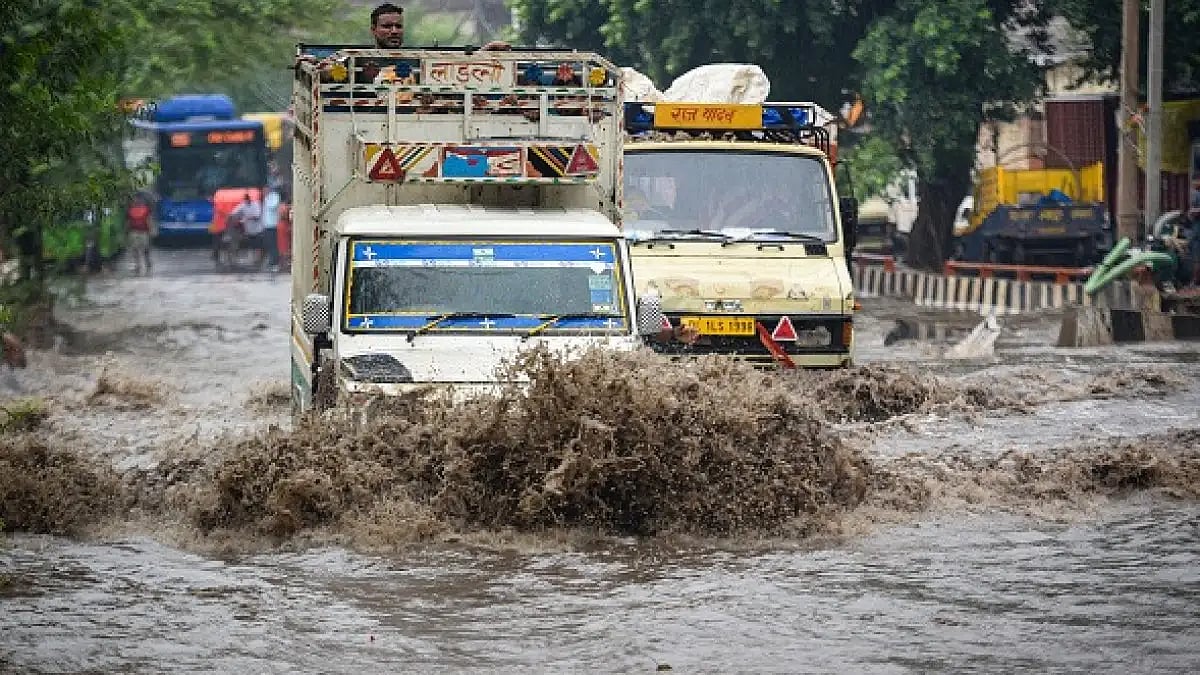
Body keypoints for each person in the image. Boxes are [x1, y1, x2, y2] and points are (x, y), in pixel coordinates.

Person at [370, 3, 509, 51]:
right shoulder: (360, 62)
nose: (394, 31)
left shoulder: (416, 60)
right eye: (387, 26)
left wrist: (487, 50)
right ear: (373, 30)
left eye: (398, 26)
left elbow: (459, 67)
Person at [229, 192, 265, 268]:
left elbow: (257, 216)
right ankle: (254, 260)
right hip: (249, 230)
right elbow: (233, 212)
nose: (246, 202)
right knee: (252, 245)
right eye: (245, 200)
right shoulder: (243, 205)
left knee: (258, 245)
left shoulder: (256, 204)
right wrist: (235, 218)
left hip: (258, 229)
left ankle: (259, 260)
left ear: (250, 199)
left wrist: (246, 218)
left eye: (247, 200)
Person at [125, 195, 153, 275]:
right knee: (135, 249)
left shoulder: (145, 209)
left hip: (143, 232)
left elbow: (148, 220)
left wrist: (150, 230)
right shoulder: (130, 210)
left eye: (137, 199)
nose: (136, 201)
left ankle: (147, 264)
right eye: (135, 199)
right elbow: (128, 221)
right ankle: (138, 265)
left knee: (145, 249)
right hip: (134, 232)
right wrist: (126, 231)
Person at [263, 187, 281, 271]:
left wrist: (267, 198)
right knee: (269, 245)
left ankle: (275, 263)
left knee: (273, 245)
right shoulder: (266, 197)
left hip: (272, 224)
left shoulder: (275, 196)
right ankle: (271, 262)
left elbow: (272, 206)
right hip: (267, 225)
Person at [276, 187, 293, 272]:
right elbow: (284, 216)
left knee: (284, 246)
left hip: (283, 226)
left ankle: (285, 264)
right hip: (284, 227)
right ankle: (284, 265)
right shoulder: (284, 207)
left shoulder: (281, 206)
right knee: (285, 247)